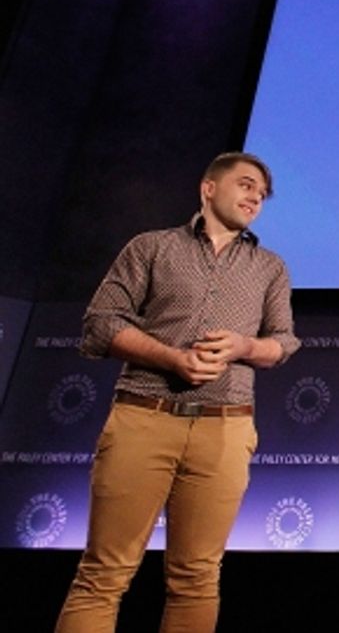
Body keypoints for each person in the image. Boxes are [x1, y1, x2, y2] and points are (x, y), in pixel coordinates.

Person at [55, 152, 300, 633]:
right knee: (104, 573)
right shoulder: (151, 248)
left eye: (262, 194)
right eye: (246, 185)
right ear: (208, 188)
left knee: (197, 577)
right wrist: (174, 358)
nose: (255, 197)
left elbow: (284, 343)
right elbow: (101, 324)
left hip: (225, 428)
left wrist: (244, 345)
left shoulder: (270, 267)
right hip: (144, 417)